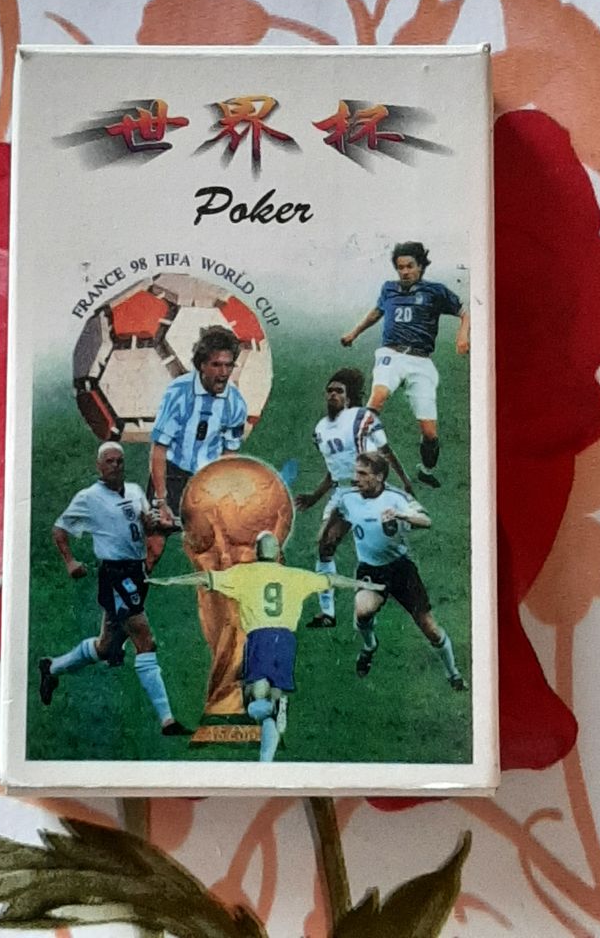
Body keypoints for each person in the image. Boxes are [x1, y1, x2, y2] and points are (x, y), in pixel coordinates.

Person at [149, 531, 381, 761]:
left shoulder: (243, 574)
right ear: (278, 552)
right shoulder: (296, 576)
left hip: (260, 640)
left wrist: (170, 580)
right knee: (274, 699)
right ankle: (266, 761)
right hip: (286, 641)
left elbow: (204, 578)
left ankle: (272, 710)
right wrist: (364, 584)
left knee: (253, 701)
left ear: (256, 552)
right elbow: (333, 580)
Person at [38, 441, 191, 736]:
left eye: (119, 461)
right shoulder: (89, 498)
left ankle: (52, 668)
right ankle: (167, 721)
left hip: (136, 572)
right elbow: (60, 529)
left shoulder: (134, 491)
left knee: (106, 646)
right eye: (109, 461)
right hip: (115, 575)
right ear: (99, 466)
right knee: (145, 640)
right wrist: (70, 562)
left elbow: (145, 526)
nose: (115, 466)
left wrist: (166, 525)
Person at [323, 451, 467, 689]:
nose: (356, 478)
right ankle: (370, 646)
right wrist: (328, 534)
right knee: (362, 611)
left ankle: (453, 674)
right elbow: (334, 518)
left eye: (363, 474)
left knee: (429, 627)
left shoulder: (396, 497)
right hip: (370, 569)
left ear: (379, 476)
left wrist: (401, 515)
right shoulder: (348, 498)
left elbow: (426, 520)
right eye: (356, 472)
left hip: (401, 570)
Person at [294, 367, 418, 629]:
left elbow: (385, 451)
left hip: (368, 492)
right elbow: (334, 470)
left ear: (349, 397)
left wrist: (405, 480)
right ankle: (327, 613)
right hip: (342, 493)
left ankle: (399, 588)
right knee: (325, 545)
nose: (333, 395)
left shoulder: (362, 418)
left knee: (383, 550)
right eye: (329, 391)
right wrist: (315, 497)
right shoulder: (320, 430)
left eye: (339, 391)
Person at [340, 241, 469, 488]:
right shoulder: (389, 289)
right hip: (391, 354)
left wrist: (462, 335)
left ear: (421, 267)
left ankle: (426, 470)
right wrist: (353, 333)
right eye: (400, 267)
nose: (405, 272)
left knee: (430, 433)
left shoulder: (435, 292)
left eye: (410, 266)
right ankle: (357, 461)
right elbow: (376, 312)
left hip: (421, 362)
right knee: (378, 397)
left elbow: (464, 312)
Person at [146, 324, 248, 568]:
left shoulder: (236, 403)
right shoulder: (178, 393)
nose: (223, 373)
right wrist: (161, 501)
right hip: (172, 473)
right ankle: (133, 593)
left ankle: (216, 594)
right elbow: (159, 450)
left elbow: (229, 455)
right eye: (216, 365)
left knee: (220, 552)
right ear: (202, 364)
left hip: (206, 480)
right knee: (153, 547)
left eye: (229, 365)